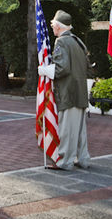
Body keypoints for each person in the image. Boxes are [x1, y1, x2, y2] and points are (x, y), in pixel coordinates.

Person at [37, 10, 91, 170]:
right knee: (80, 131)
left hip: (68, 91)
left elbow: (62, 68)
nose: (52, 27)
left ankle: (65, 162)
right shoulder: (78, 41)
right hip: (80, 91)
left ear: (59, 27)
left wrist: (45, 70)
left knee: (67, 129)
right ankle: (83, 159)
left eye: (53, 25)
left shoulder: (61, 42)